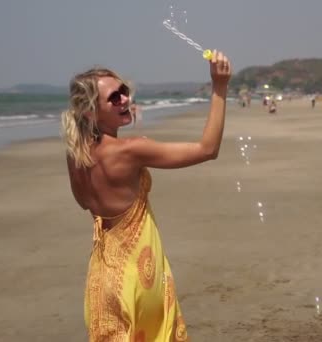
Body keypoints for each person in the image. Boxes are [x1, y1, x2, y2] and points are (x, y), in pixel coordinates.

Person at [61, 50, 231, 341]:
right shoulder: (131, 149)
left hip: (103, 278)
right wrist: (220, 86)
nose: (125, 99)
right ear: (90, 110)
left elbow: (83, 203)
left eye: (124, 92)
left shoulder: (76, 155)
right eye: (114, 97)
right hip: (138, 275)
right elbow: (207, 149)